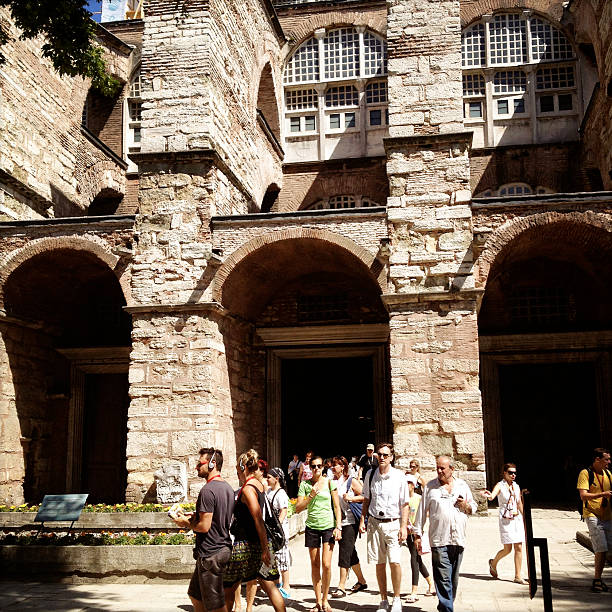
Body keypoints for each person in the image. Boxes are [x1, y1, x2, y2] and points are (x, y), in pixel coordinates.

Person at [171, 447, 235, 612]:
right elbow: (216, 517)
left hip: (211, 553)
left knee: (216, 606)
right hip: (221, 548)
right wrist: (195, 516)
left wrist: (185, 522)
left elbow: (204, 526)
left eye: (200, 464)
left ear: (213, 464)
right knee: (195, 595)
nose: (196, 467)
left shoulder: (208, 490)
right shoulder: (227, 487)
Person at [223, 449, 285, 612]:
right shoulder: (259, 485)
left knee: (228, 587)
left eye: (238, 470)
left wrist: (264, 549)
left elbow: (258, 518)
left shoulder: (248, 489)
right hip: (261, 544)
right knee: (269, 585)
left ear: (243, 467)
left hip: (247, 546)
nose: (237, 474)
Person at [413, 455, 477, 612]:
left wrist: (465, 505)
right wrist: (417, 534)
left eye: (443, 468)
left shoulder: (462, 485)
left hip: (458, 539)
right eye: (437, 468)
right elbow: (421, 512)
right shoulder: (430, 487)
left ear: (452, 469)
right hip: (439, 540)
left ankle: (445, 606)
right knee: (443, 579)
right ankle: (447, 609)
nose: (439, 471)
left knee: (453, 580)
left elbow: (473, 507)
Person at [359, 442, 410, 612]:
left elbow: (405, 504)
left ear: (391, 458)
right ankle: (383, 599)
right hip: (374, 523)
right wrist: (362, 520)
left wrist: (404, 527)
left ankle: (396, 598)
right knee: (379, 563)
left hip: (393, 523)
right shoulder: (370, 474)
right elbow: (366, 499)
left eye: (385, 455)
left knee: (395, 561)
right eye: (379, 454)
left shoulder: (399, 476)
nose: (381, 457)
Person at [296, 455, 342, 612]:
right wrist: (311, 495)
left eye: (319, 466)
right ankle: (317, 601)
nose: (316, 469)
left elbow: (336, 507)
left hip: (328, 526)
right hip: (312, 527)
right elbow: (298, 508)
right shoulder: (305, 485)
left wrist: (339, 526)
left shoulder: (330, 483)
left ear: (323, 467)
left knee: (327, 564)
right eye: (313, 466)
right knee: (315, 564)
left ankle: (325, 599)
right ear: (309, 467)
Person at [330, 455, 368, 598]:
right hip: (338, 522)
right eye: (333, 464)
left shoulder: (350, 481)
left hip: (350, 521)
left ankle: (341, 586)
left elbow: (365, 496)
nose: (334, 467)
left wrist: (351, 498)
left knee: (344, 553)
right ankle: (362, 581)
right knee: (351, 553)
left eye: (337, 464)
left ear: (343, 467)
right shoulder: (332, 481)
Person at [481, 463, 526, 584]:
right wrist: (488, 495)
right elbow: (492, 496)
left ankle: (518, 576)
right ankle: (493, 563)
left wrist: (524, 518)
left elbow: (519, 503)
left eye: (515, 473)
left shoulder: (516, 486)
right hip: (506, 519)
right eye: (510, 472)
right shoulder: (500, 485)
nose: (513, 475)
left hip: (516, 518)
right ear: (504, 473)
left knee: (519, 547)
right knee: (507, 549)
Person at [577, 447, 612, 593]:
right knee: (601, 547)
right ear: (597, 460)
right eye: (606, 459)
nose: (609, 462)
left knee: (607, 549)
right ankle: (597, 580)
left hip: (607, 516)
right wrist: (602, 494)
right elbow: (583, 495)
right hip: (592, 515)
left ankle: (598, 579)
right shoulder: (586, 473)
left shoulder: (608, 474)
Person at [404, 474, 435, 602]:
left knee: (414, 559)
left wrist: (419, 531)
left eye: (408, 483)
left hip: (416, 533)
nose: (406, 486)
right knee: (417, 559)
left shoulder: (419, 499)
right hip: (407, 533)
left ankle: (414, 591)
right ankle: (431, 585)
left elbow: (424, 515)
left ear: (413, 485)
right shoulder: (402, 499)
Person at [267, 467, 292, 599]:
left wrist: (277, 527)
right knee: (273, 559)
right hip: (272, 532)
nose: (267, 479)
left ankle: (286, 585)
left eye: (269, 477)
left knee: (283, 558)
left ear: (276, 479)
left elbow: (283, 511)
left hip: (280, 533)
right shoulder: (269, 492)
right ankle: (277, 583)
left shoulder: (281, 493)